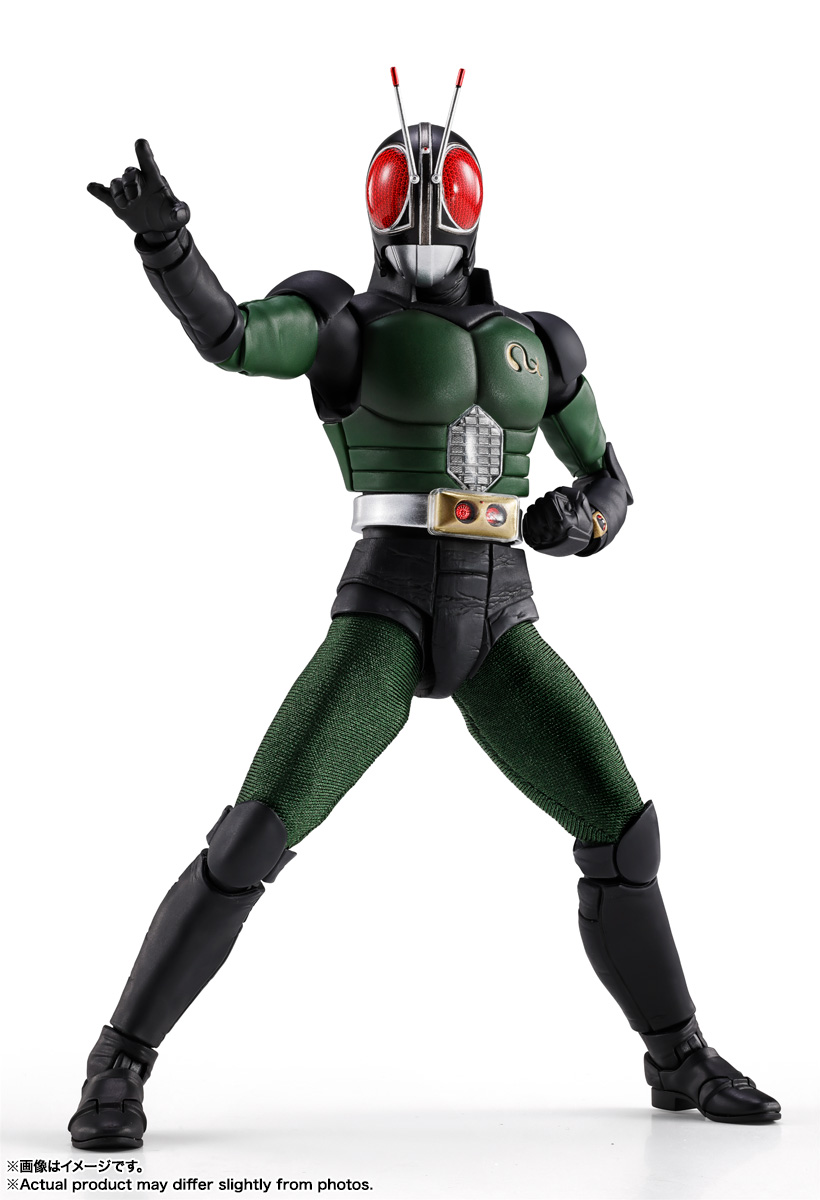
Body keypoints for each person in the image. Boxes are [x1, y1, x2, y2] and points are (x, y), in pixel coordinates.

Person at [68, 75, 780, 1149]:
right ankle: (118, 1061)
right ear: (375, 204)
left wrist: (578, 522)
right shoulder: (342, 323)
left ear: (477, 204)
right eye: (404, 195)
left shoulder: (540, 343)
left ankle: (677, 1055)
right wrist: (169, 247)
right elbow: (231, 335)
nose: (426, 213)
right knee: (254, 831)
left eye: (446, 194)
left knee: (623, 832)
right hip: (389, 608)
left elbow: (614, 482)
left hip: (501, 614)